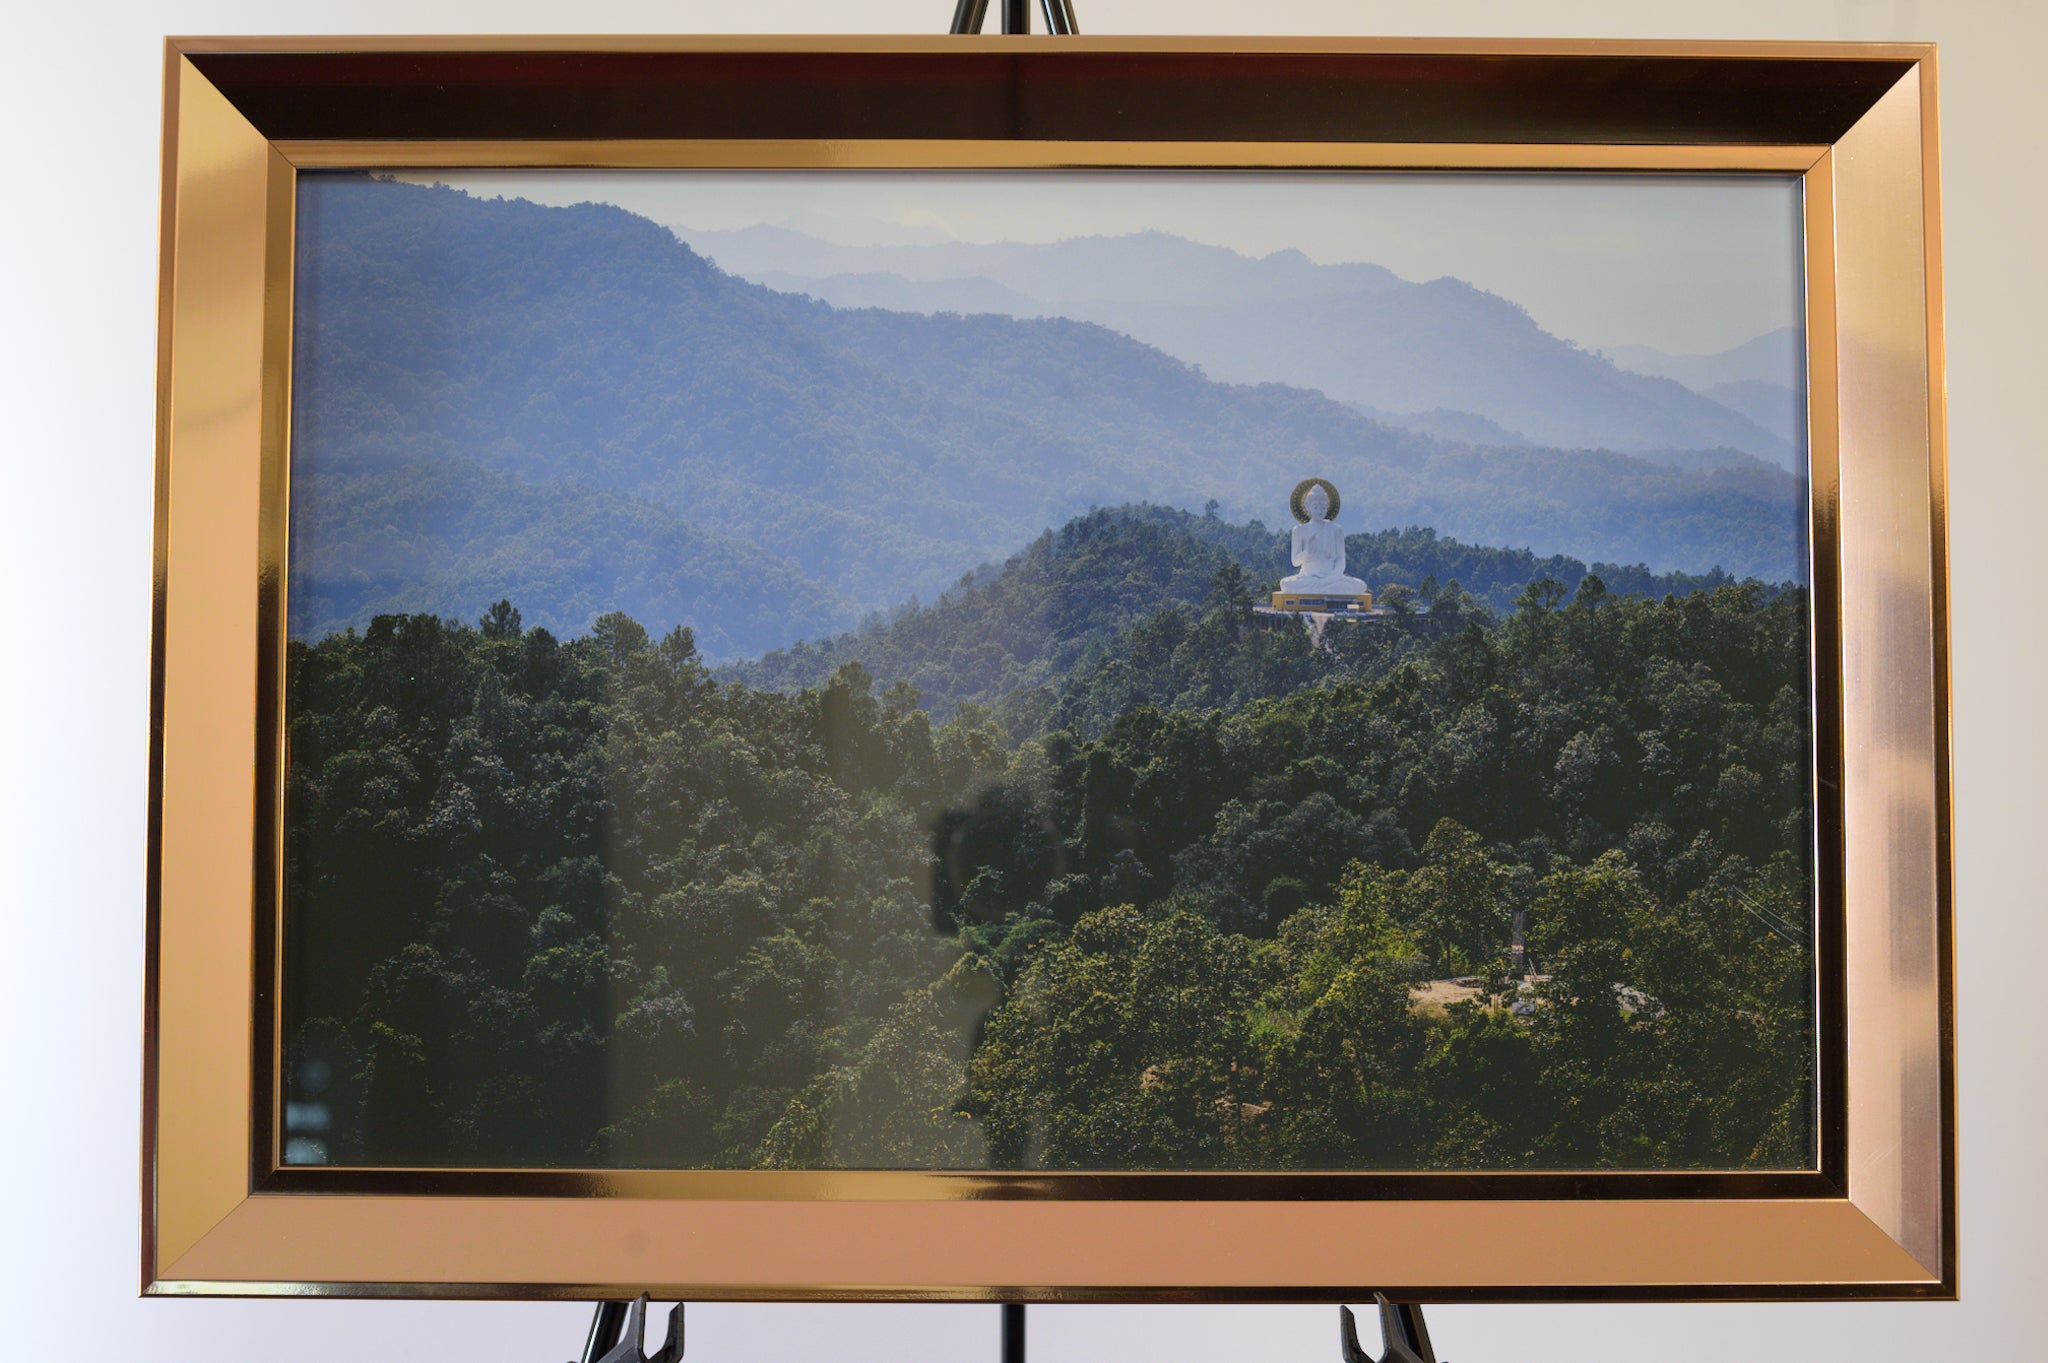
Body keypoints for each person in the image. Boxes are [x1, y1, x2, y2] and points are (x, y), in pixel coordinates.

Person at [1281, 481, 1368, 595]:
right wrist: (1307, 551)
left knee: (1361, 585)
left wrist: (1333, 576)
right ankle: (1324, 587)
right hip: (1308, 577)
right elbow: (1295, 562)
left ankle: (1323, 586)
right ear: (1307, 507)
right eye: (1316, 507)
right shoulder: (1299, 530)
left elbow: (1341, 560)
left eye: (1323, 507)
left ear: (1327, 507)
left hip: (1331, 577)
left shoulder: (1336, 530)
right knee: (1285, 584)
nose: (1320, 511)